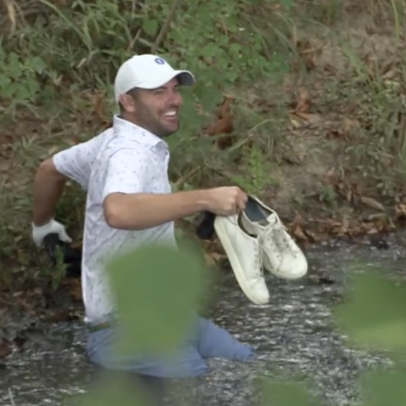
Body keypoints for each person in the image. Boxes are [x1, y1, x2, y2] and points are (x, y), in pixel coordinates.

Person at [31, 54, 255, 380]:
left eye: (174, 89)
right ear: (128, 101)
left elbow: (50, 169)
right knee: (204, 390)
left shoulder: (113, 141)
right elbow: (118, 211)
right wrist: (204, 198)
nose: (174, 100)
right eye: (158, 92)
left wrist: (43, 227)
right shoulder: (127, 151)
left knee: (249, 365)